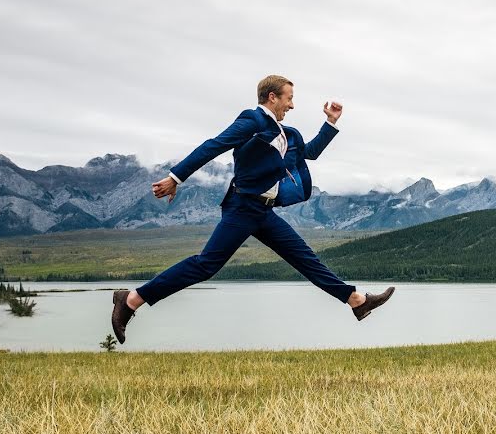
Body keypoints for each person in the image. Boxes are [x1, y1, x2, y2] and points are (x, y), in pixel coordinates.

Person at [110, 75, 395, 344]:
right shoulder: (253, 120)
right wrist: (175, 178)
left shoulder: (286, 133)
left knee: (306, 259)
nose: (292, 105)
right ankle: (131, 300)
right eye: (289, 98)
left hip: (264, 211)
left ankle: (356, 301)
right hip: (242, 207)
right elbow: (214, 145)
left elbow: (309, 153)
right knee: (206, 264)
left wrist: (330, 123)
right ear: (272, 97)